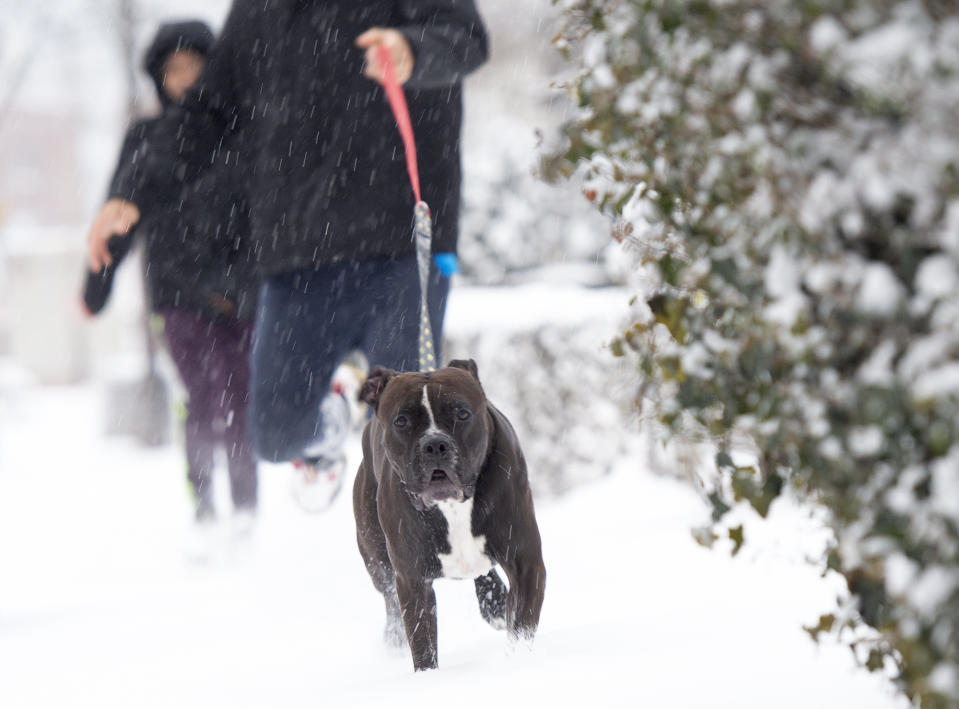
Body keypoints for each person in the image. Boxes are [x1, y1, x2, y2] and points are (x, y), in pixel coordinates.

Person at [86, 1, 489, 511]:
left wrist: (414, 49)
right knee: (275, 435)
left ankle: (412, 579)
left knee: (402, 441)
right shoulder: (261, 10)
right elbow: (206, 111)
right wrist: (132, 193)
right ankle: (328, 431)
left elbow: (467, 38)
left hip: (402, 244)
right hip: (299, 254)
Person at [83, 20, 259, 526]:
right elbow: (117, 211)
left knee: (241, 400)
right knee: (203, 399)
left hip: (241, 292)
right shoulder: (146, 137)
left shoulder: (242, 130)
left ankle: (246, 511)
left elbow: (269, 209)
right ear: (159, 77)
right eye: (173, 70)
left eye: (194, 67)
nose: (183, 79)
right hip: (178, 294)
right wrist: (96, 286)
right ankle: (205, 507)